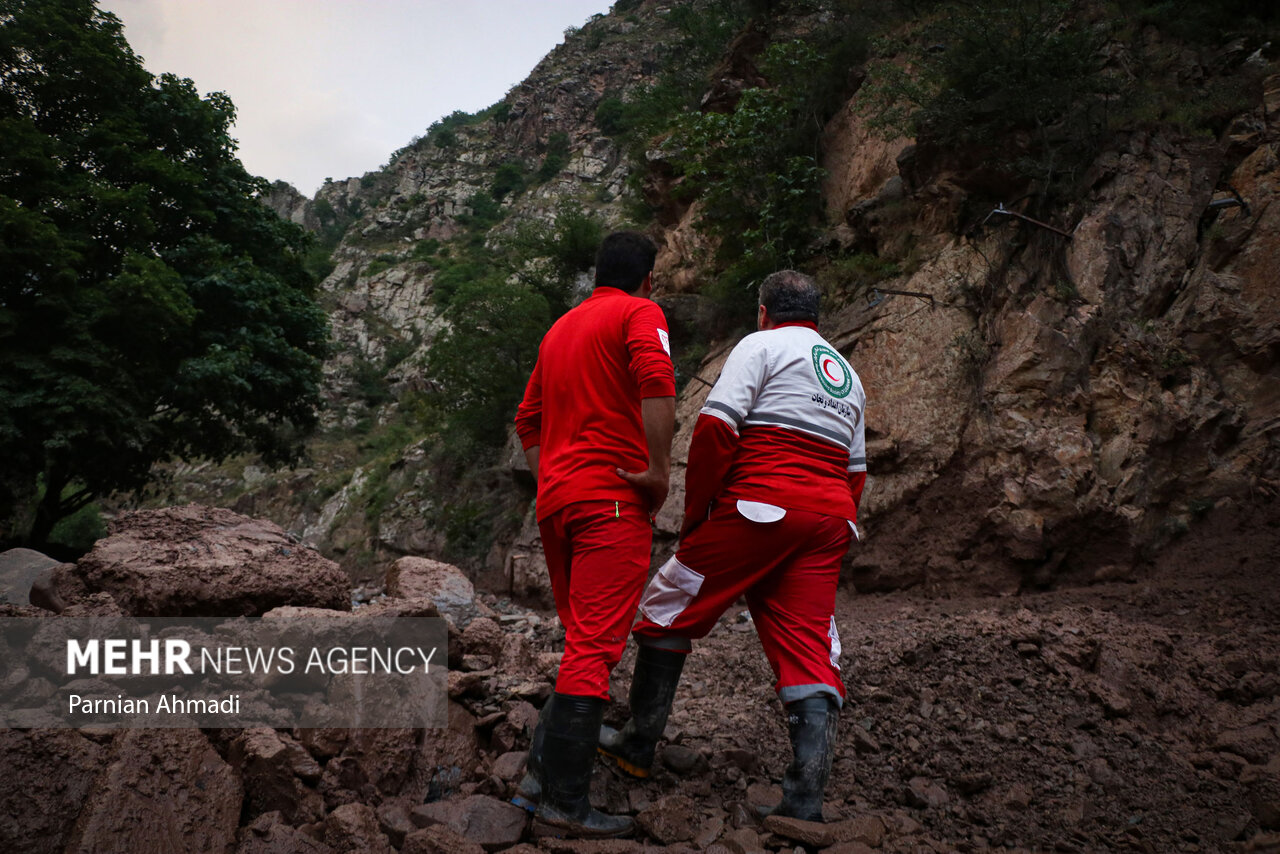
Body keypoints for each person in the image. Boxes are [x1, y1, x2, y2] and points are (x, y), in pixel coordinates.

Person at [598, 269, 867, 823]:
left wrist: (698, 515)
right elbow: (855, 471)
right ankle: (804, 802)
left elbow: (716, 430)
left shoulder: (760, 345)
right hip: (830, 520)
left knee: (665, 608)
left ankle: (637, 744)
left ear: (764, 311)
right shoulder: (847, 373)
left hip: (759, 508)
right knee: (809, 649)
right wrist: (823, 518)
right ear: (816, 316)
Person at [511, 230, 676, 838]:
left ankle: (536, 779)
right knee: (595, 650)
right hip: (611, 501)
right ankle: (567, 805)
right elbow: (657, 380)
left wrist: (551, 480)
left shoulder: (558, 329)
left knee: (582, 639)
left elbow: (528, 418)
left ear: (596, 272)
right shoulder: (641, 311)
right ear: (647, 278)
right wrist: (658, 472)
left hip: (559, 504)